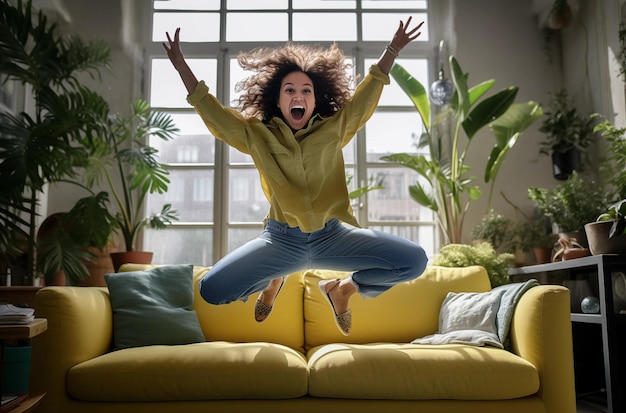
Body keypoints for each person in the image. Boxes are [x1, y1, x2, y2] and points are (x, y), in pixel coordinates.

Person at [163, 17, 428, 336]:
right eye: (290, 90)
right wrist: (182, 69)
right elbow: (217, 117)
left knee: (414, 260)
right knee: (211, 290)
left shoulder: (334, 130)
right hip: (281, 241)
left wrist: (393, 49)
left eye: (306, 90)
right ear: (278, 100)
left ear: (316, 100)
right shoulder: (257, 135)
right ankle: (274, 278)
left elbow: (364, 98)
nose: (298, 96)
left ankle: (343, 290)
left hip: (332, 238)